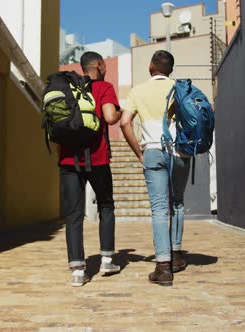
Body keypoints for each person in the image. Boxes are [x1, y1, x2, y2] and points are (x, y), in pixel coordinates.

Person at [120, 50, 190, 285]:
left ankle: (163, 266)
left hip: (152, 150)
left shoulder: (138, 91)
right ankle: (177, 255)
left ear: (151, 67)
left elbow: (124, 122)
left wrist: (139, 152)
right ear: (170, 69)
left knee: (159, 207)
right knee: (177, 202)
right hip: (179, 151)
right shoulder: (180, 88)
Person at [58, 51, 122, 287]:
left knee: (74, 214)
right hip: (97, 158)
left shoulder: (68, 88)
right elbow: (109, 116)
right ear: (100, 65)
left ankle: (77, 271)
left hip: (68, 159)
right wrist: (120, 112)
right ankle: (106, 259)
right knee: (106, 205)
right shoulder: (104, 87)